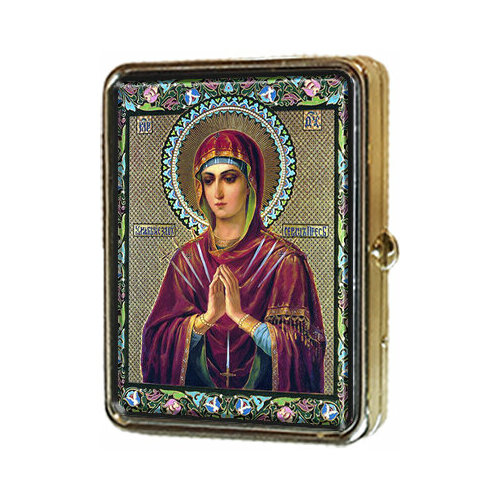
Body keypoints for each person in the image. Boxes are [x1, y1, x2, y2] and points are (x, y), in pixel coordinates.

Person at [142, 130, 325, 392]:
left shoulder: (284, 261)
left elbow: (305, 352)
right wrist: (206, 319)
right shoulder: (186, 261)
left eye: (229, 178)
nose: (217, 192)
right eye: (208, 180)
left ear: (251, 183)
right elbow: (155, 342)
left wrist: (241, 317)